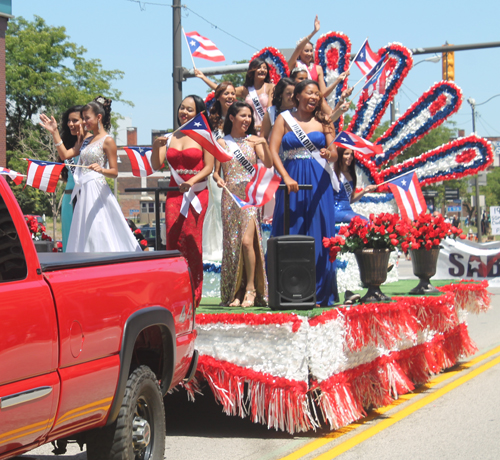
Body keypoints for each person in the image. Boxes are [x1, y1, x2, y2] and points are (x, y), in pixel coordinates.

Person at [269, 79, 339, 306]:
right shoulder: (283, 119)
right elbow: (273, 150)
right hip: (292, 178)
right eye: (310, 93)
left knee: (320, 229)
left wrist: (329, 155)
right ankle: (288, 288)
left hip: (319, 180)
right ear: (297, 95)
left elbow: (334, 152)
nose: (314, 97)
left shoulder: (325, 120)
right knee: (290, 226)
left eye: (317, 95)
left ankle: (319, 290)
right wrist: (286, 177)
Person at [41, 96, 141, 253]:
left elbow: (114, 172)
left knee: (99, 229)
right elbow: (66, 154)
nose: (84, 122)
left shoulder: (108, 140)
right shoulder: (86, 140)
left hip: (96, 189)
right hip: (83, 191)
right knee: (82, 232)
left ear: (98, 117)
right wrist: (54, 132)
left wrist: (101, 170)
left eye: (86, 118)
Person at [151, 95, 215, 308]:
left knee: (191, 238)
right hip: (175, 193)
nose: (184, 112)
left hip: (197, 191)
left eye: (189, 109)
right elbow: (157, 164)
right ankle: (175, 291)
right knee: (173, 238)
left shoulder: (204, 135)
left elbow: (209, 167)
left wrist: (193, 181)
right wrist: (156, 147)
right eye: (182, 108)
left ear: (198, 113)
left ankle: (194, 292)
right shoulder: (171, 136)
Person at [213, 101, 273, 307]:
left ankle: (251, 289)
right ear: (232, 118)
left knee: (248, 242)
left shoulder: (253, 141)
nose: (247, 120)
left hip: (249, 196)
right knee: (233, 245)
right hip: (230, 196)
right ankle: (235, 291)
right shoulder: (222, 142)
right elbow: (215, 171)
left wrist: (263, 142)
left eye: (249, 116)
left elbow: (269, 163)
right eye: (243, 116)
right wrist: (218, 179)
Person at [40, 105, 85, 251]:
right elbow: (66, 172)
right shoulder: (68, 145)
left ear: (85, 121)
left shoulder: (92, 142)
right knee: (69, 239)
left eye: (74, 120)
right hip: (68, 198)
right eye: (68, 121)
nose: (70, 124)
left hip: (86, 197)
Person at [195, 58, 274, 134]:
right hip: (249, 130)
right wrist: (203, 77)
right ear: (252, 70)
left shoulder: (271, 87)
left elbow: (270, 111)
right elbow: (222, 89)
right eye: (259, 67)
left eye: (265, 68)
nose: (263, 70)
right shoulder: (246, 89)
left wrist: (263, 128)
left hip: (266, 130)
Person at [288, 16, 349, 100]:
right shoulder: (295, 64)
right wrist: (314, 32)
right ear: (300, 52)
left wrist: (338, 80)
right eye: (306, 51)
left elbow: (323, 93)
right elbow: (298, 48)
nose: (309, 53)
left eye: (311, 51)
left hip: (313, 103)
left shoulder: (318, 68)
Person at [333, 147, 377, 223]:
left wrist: (365, 191)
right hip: (336, 210)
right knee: (363, 221)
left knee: (368, 222)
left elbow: (351, 199)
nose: (350, 157)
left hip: (348, 210)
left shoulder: (351, 174)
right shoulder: (333, 175)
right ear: (340, 155)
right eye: (346, 154)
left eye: (351, 154)